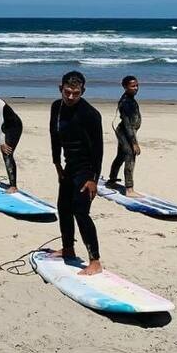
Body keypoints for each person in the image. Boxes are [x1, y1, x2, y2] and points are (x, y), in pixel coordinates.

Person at [48, 71, 105, 276]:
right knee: (63, 208)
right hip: (68, 166)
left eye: (76, 93)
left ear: (83, 91)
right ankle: (68, 249)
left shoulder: (90, 114)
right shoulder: (57, 107)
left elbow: (98, 150)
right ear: (60, 88)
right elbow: (54, 136)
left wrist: (93, 179)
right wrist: (57, 164)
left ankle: (95, 261)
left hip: (86, 169)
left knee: (81, 212)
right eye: (67, 92)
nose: (71, 97)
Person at [105, 75, 142, 196]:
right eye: (133, 86)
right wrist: (134, 143)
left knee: (120, 156)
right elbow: (127, 124)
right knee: (130, 155)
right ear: (125, 87)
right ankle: (129, 189)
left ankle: (111, 180)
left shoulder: (130, 98)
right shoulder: (126, 102)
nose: (136, 88)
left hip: (127, 132)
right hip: (124, 132)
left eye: (137, 85)